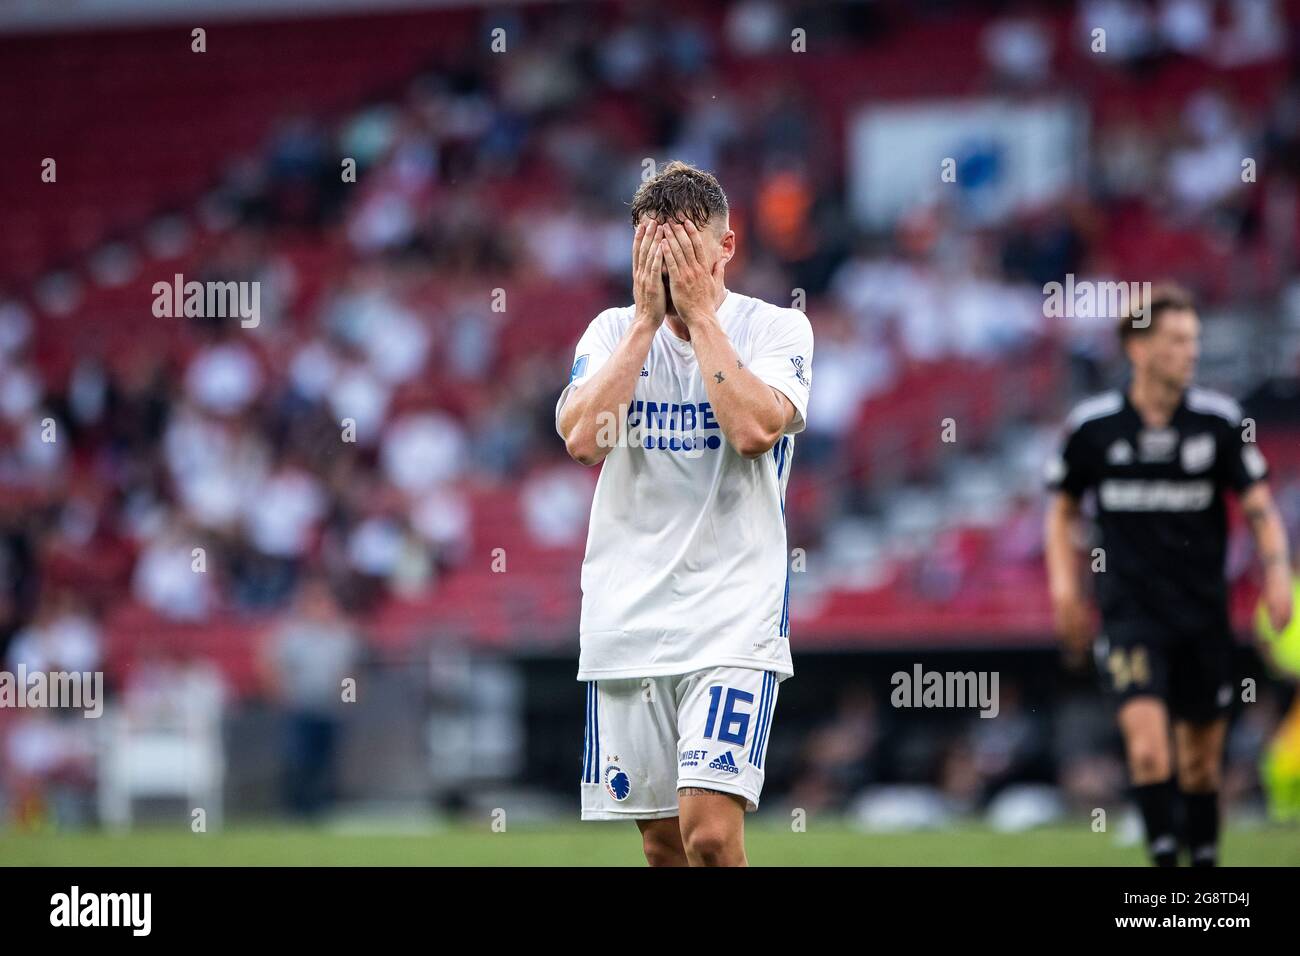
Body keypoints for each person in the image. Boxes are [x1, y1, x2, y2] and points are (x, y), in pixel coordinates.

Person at [556, 161, 814, 866]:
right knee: (664, 846)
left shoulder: (777, 330)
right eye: (650, 248)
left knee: (708, 834)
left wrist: (699, 318)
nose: (664, 264)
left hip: (732, 615)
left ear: (724, 248)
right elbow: (584, 441)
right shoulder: (610, 332)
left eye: (682, 249)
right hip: (627, 614)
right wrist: (645, 323)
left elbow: (754, 430)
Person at [1044, 284, 1292, 866]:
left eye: (1194, 341)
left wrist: (1277, 575)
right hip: (1130, 615)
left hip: (1203, 616)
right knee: (1151, 752)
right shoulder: (1094, 429)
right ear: (1139, 348)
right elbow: (1060, 513)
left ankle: (1202, 870)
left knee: (1201, 761)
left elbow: (1260, 511)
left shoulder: (1219, 423)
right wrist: (1064, 589)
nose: (1191, 352)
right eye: (1177, 340)